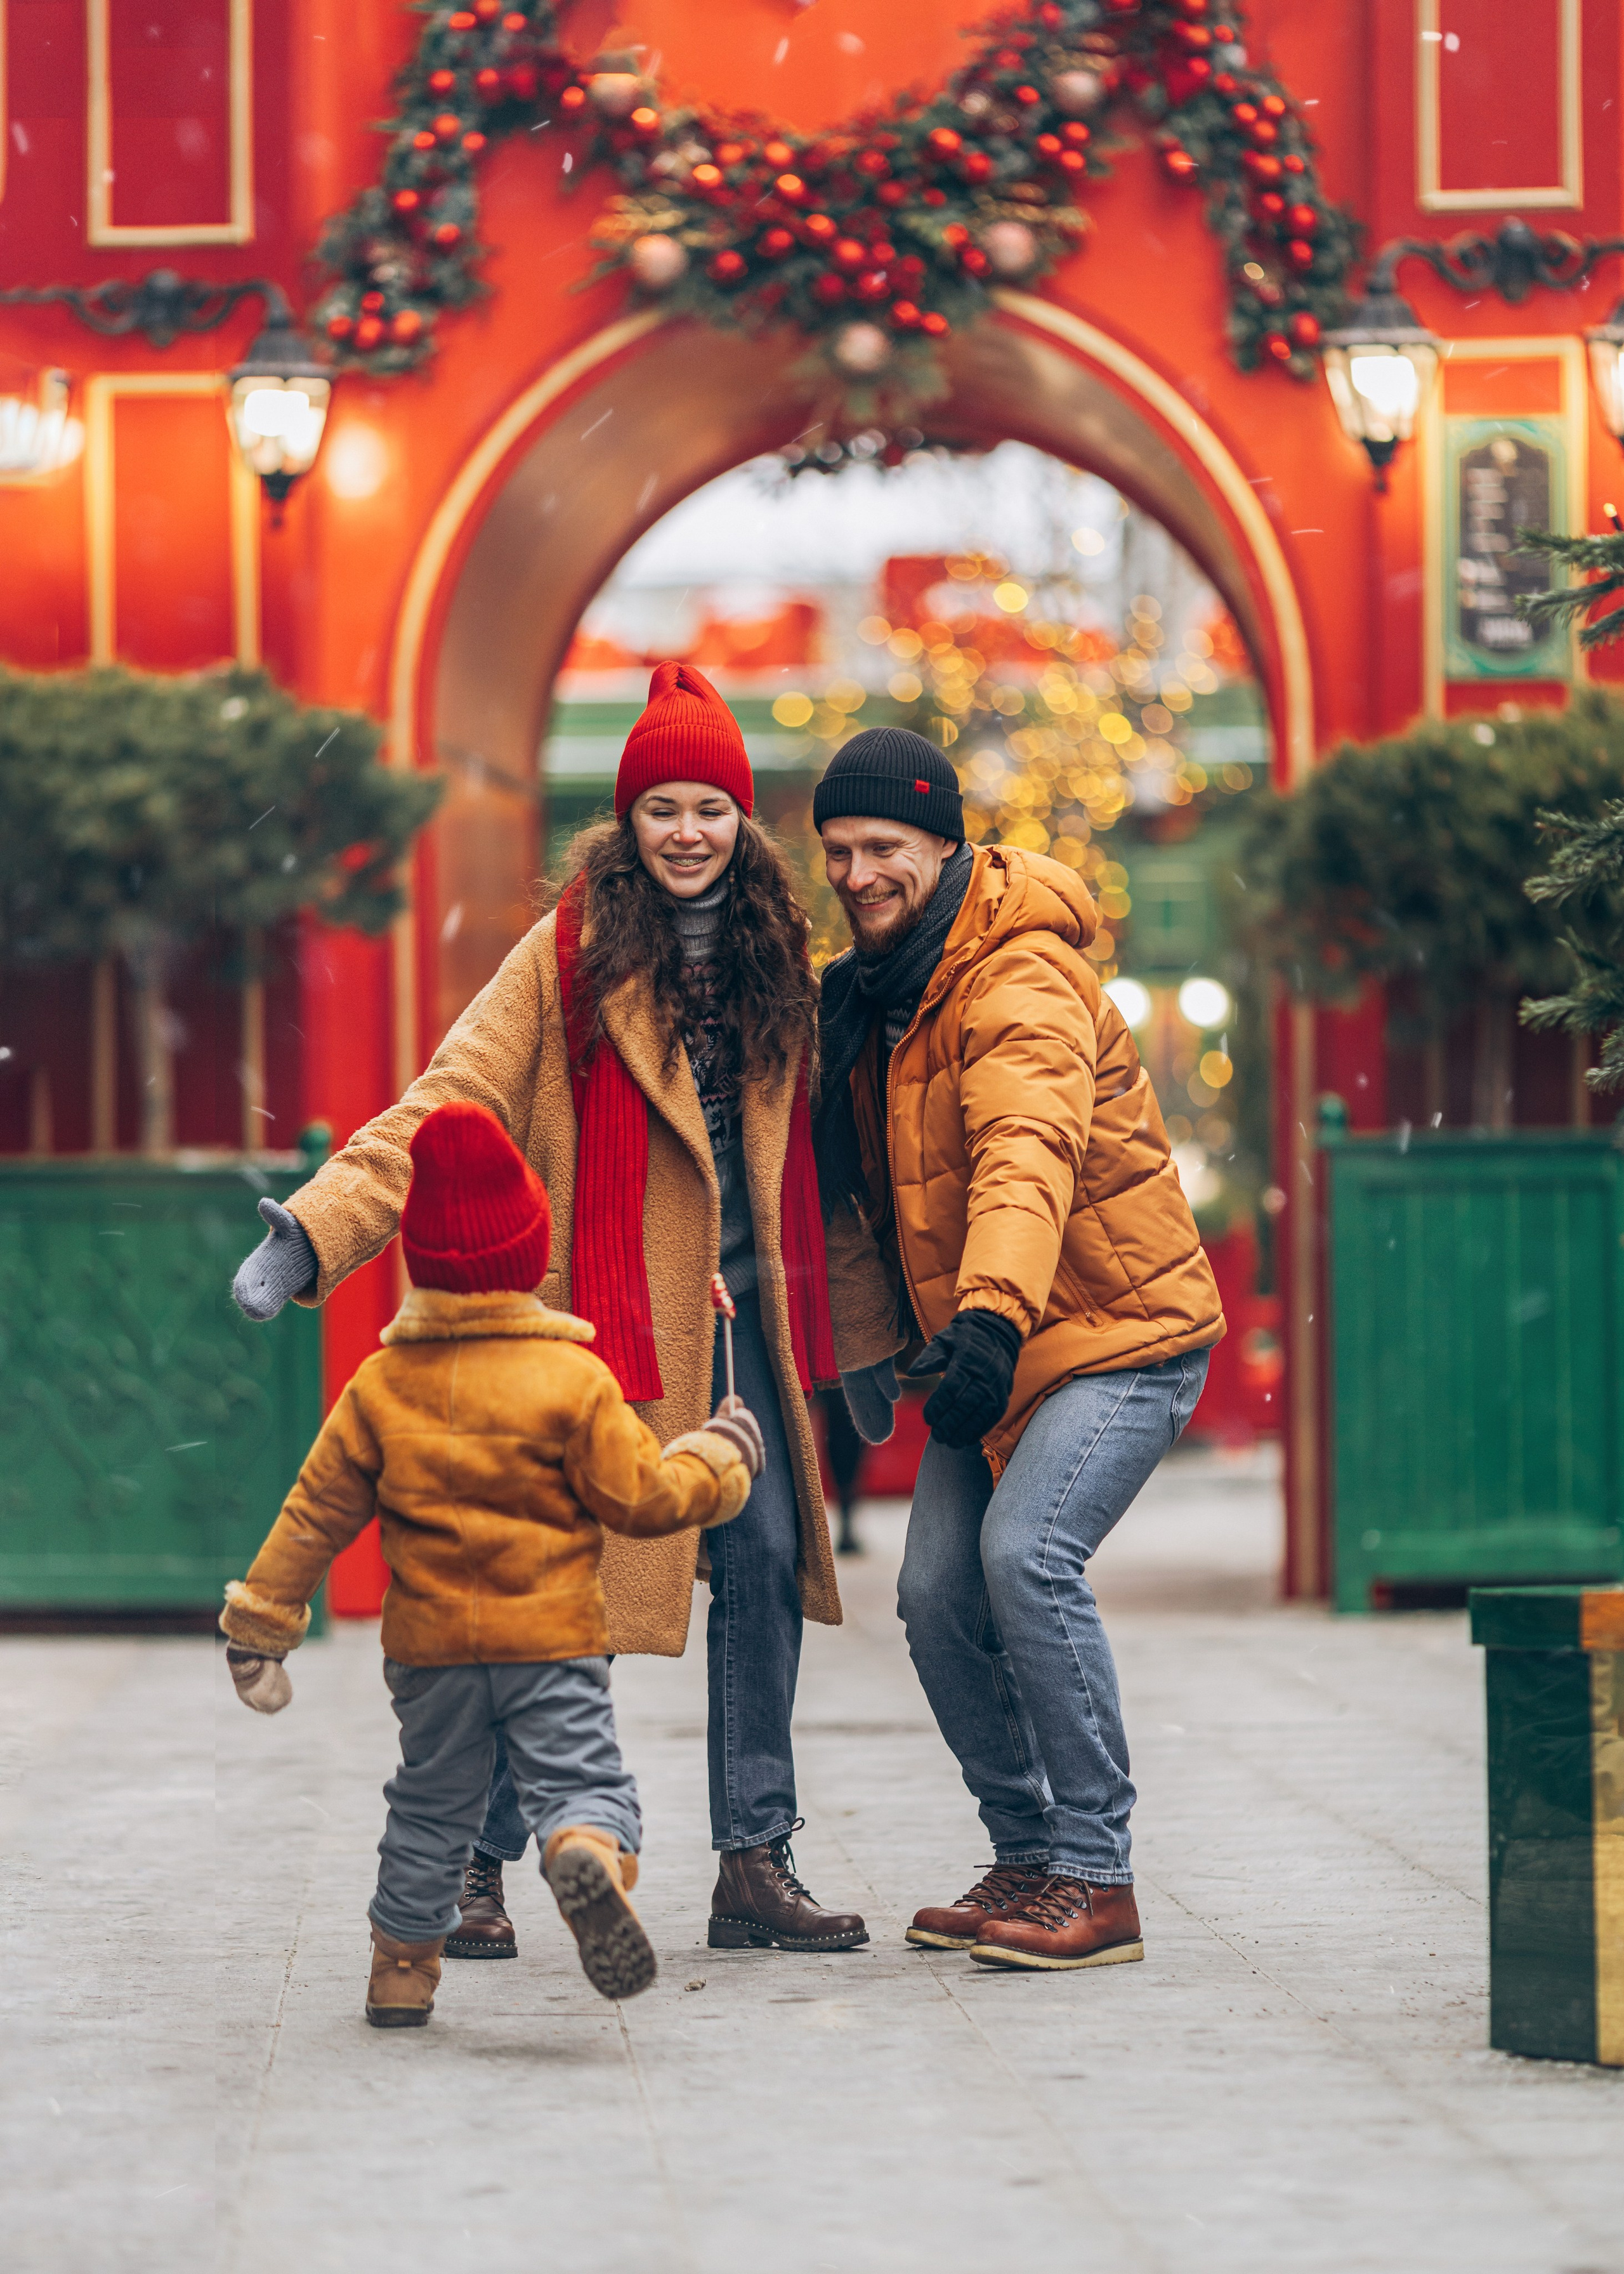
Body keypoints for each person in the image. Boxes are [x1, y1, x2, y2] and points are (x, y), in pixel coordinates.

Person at [232, 661, 895, 1957]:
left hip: (740, 1320)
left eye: (710, 807)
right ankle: (481, 1868)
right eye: (662, 809)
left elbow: (848, 1167)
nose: (687, 833)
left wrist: (887, 1329)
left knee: (756, 1567)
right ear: (626, 822)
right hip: (596, 1321)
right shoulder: (565, 955)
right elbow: (447, 1099)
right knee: (545, 1578)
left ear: (741, 822)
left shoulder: (785, 967)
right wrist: (314, 1231)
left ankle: (754, 1861)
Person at [812, 726, 1224, 1972]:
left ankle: (1096, 1876)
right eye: (835, 849)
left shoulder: (1014, 978)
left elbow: (1021, 1153)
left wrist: (985, 1315)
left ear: (943, 846)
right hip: (995, 1355)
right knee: (932, 1593)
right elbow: (867, 1194)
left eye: (881, 846)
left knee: (1022, 1554)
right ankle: (1028, 1848)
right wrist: (878, 1346)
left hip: (1118, 1335)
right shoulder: (881, 994)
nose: (855, 871)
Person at [219, 1100, 764, 2027]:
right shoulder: (572, 1380)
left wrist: (261, 1627)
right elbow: (643, 1498)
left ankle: (400, 1973)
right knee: (580, 1779)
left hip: (430, 1657)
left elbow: (314, 1515)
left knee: (430, 1811)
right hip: (549, 1642)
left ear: (421, 1258)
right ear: (528, 1250)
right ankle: (583, 1852)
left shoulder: (381, 1388)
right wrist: (720, 1459)